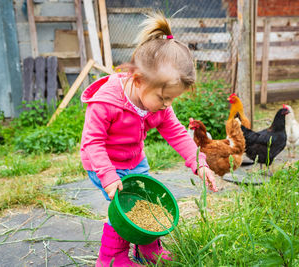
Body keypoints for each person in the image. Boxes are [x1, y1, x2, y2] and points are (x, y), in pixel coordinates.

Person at [80, 12, 218, 267]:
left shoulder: (158, 105)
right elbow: (93, 143)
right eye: (164, 98)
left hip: (134, 161)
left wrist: (199, 162)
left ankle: (147, 248)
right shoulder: (106, 103)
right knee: (123, 208)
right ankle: (111, 257)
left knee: (148, 201)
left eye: (172, 100)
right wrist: (109, 177)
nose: (167, 105)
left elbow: (176, 132)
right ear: (138, 80)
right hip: (103, 164)